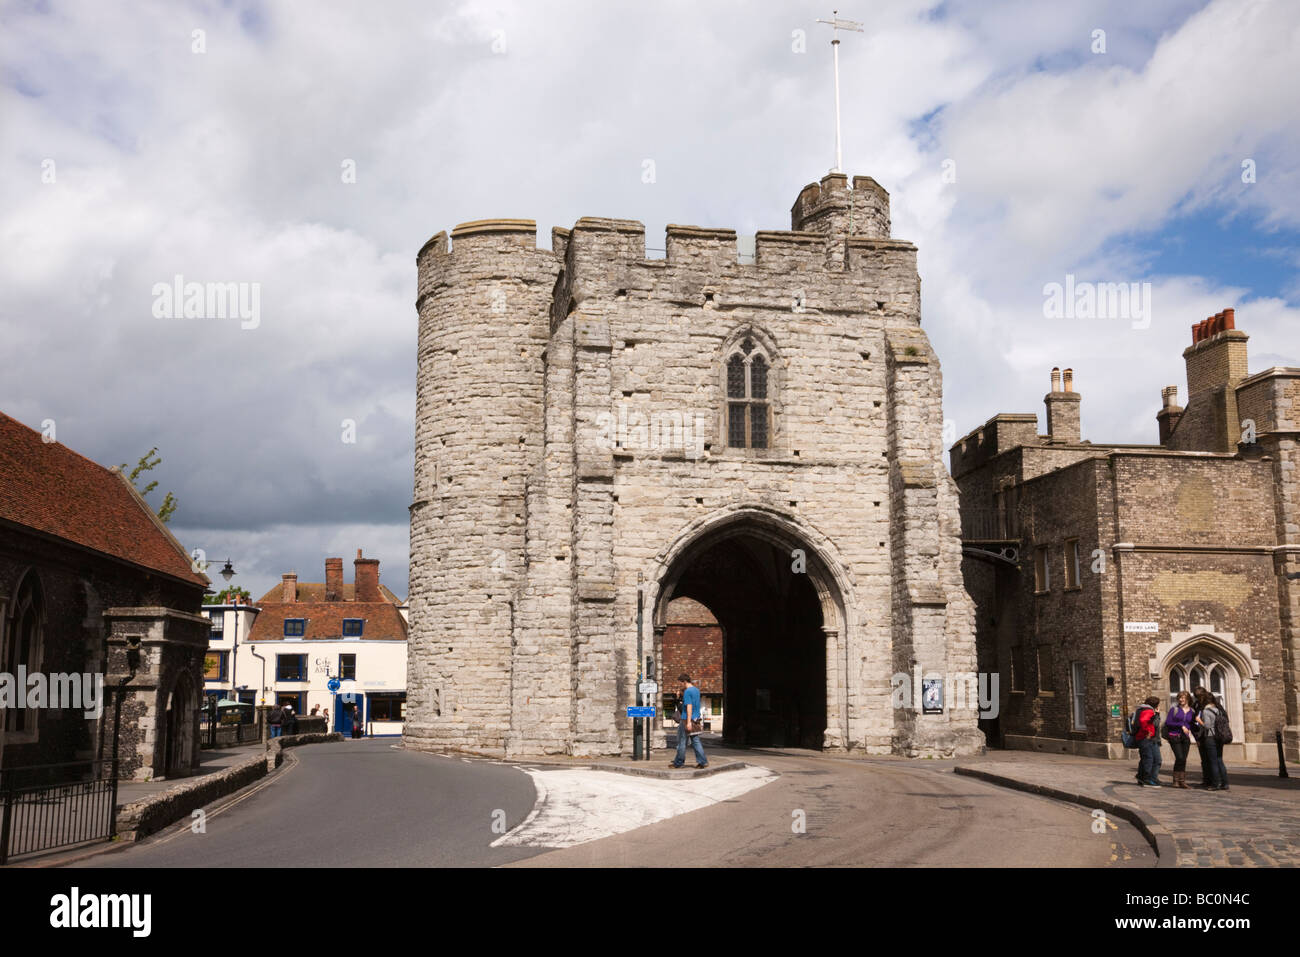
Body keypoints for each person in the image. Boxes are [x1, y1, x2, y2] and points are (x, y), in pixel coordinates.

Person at [669, 673, 708, 769]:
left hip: (687, 719)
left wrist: (688, 721)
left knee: (682, 742)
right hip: (696, 718)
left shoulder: (687, 692)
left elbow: (689, 706)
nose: (680, 685)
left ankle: (679, 762)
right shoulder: (696, 690)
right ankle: (702, 761)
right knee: (695, 741)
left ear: (684, 681)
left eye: (680, 683)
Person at [1194, 689, 1230, 791]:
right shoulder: (1218, 710)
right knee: (1219, 760)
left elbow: (1207, 726)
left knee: (1213, 761)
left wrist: (1199, 720)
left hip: (1210, 738)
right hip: (1219, 737)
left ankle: (1216, 783)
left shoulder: (1206, 711)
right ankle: (1225, 783)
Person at [1164, 690, 1196, 789]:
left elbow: (1192, 725)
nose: (1181, 700)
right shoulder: (1174, 709)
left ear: (1188, 699)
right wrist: (1181, 725)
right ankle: (1175, 781)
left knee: (1183, 759)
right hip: (1174, 736)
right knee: (1180, 757)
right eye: (1180, 698)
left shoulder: (1192, 711)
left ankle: (1182, 781)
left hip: (1185, 737)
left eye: (1183, 698)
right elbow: (1168, 723)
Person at [1132, 695, 1162, 787]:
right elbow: (1144, 721)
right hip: (1146, 738)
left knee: (1151, 758)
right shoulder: (1148, 711)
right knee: (1149, 759)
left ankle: (1145, 777)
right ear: (1156, 705)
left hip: (1146, 738)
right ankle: (1147, 778)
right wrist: (1148, 732)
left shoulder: (1141, 709)